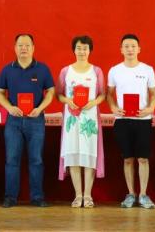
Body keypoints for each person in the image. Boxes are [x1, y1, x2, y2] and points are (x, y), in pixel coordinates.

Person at [0, 34, 55, 208]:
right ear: (15, 48)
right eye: (20, 45)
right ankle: (10, 197)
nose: (24, 48)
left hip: (36, 120)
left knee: (36, 160)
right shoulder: (7, 70)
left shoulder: (42, 69)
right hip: (13, 121)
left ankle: (37, 197)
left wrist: (40, 108)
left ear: (33, 48)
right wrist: (9, 108)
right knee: (11, 160)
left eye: (27, 45)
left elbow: (51, 91)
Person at [107, 34, 155, 209]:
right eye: (126, 46)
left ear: (139, 49)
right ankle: (130, 193)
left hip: (143, 120)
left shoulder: (147, 70)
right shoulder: (115, 70)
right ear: (121, 49)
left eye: (133, 46)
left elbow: (154, 94)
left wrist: (150, 108)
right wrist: (113, 107)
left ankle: (143, 194)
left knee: (143, 159)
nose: (130, 49)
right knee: (127, 159)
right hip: (122, 120)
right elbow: (109, 94)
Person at [57, 35, 106, 208]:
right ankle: (78, 195)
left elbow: (103, 94)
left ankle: (88, 195)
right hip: (72, 119)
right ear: (74, 50)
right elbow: (59, 94)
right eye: (79, 48)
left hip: (89, 119)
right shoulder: (65, 71)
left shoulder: (96, 71)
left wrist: (94, 102)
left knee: (89, 155)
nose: (82, 51)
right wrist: (67, 100)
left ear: (90, 50)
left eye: (85, 48)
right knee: (73, 154)